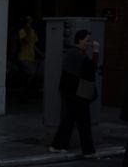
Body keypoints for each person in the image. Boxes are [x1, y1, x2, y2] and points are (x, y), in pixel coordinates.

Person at [49, 29, 99, 157]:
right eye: (87, 40)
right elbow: (91, 69)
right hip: (76, 93)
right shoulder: (76, 54)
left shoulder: (75, 53)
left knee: (69, 120)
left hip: (71, 92)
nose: (88, 43)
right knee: (83, 122)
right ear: (80, 40)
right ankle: (88, 150)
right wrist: (96, 52)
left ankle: (57, 145)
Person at [15, 15, 40, 96]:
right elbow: (24, 41)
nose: (30, 22)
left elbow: (33, 44)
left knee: (30, 75)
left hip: (31, 57)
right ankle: (24, 91)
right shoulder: (22, 31)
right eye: (28, 20)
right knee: (31, 73)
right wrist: (27, 30)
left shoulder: (33, 31)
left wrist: (40, 53)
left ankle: (24, 91)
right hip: (23, 57)